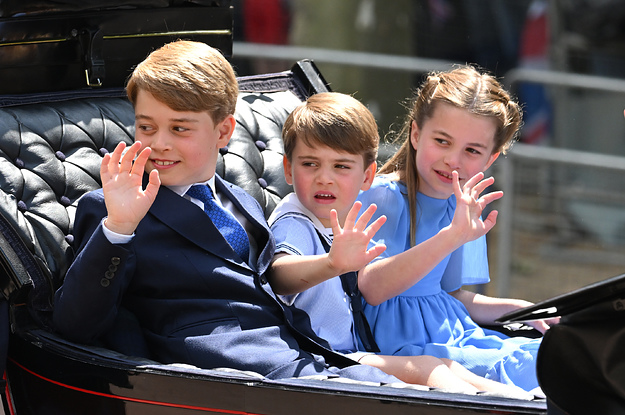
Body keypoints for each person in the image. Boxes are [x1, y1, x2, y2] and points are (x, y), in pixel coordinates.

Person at [51, 40, 399, 383]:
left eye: (179, 128)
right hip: (226, 371)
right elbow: (75, 325)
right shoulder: (113, 209)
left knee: (428, 388)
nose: (159, 142)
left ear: (224, 131)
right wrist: (119, 227)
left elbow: (268, 286)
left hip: (302, 353)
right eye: (146, 127)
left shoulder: (242, 200)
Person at [267, 91, 532, 398]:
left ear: (366, 176)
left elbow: (450, 294)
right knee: (429, 368)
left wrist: (520, 310)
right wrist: (331, 263)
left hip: (356, 348)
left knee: (445, 366)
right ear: (288, 168)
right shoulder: (296, 219)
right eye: (310, 164)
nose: (325, 178)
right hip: (325, 355)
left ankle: (523, 402)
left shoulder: (339, 218)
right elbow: (278, 274)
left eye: (340, 167)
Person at [354, 65, 559, 392]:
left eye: (472, 151)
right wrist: (451, 236)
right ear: (416, 134)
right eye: (442, 141)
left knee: (552, 356)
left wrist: (519, 309)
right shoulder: (380, 197)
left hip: (458, 335)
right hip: (410, 349)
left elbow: (453, 296)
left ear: (490, 159)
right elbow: (372, 289)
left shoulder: (463, 205)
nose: (453, 160)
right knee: (539, 371)